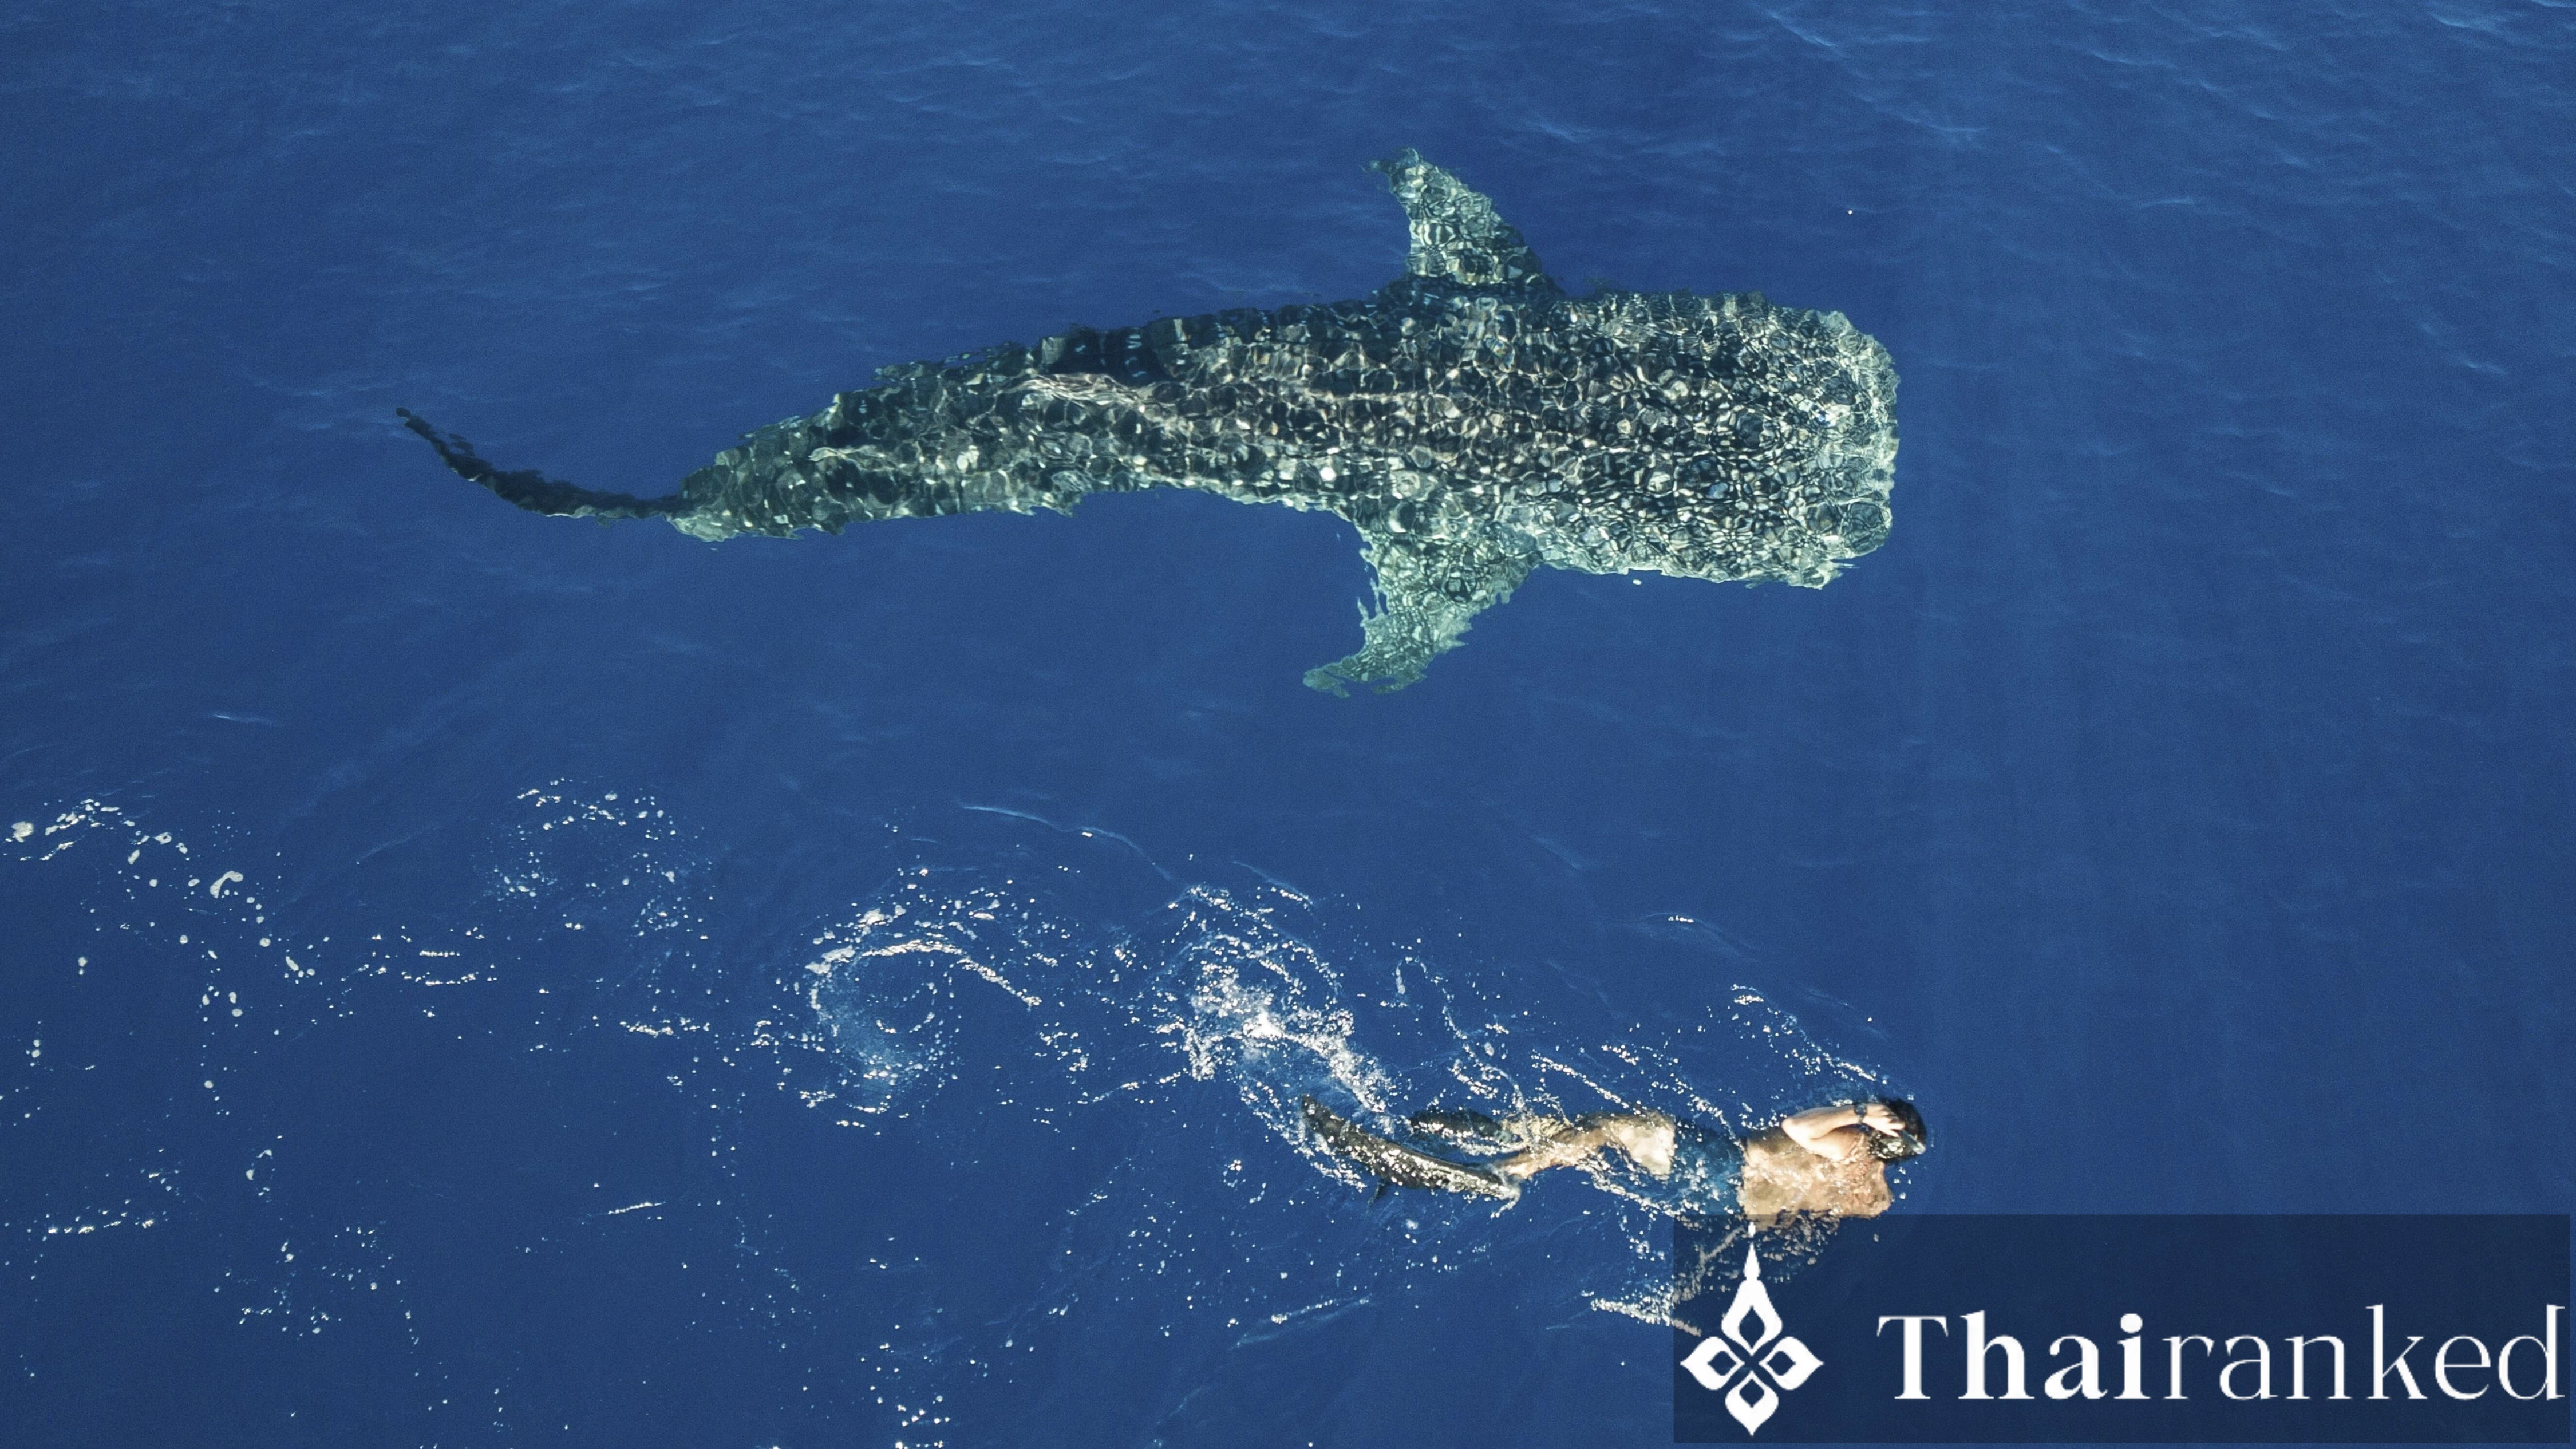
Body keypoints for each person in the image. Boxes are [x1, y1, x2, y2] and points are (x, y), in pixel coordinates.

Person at [1299, 1093, 1927, 1221]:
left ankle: (1503, 1171)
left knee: (1611, 1126)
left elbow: (1796, 1125)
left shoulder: (1851, 1140)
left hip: (1725, 1164)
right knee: (1585, 1133)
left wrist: (1858, 1106)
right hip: (1720, 1200)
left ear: (1881, 1136)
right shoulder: (1873, 1194)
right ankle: (1490, 1132)